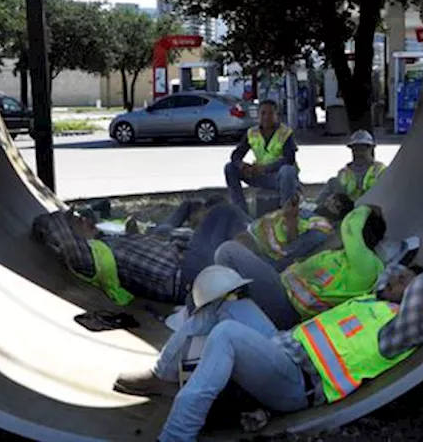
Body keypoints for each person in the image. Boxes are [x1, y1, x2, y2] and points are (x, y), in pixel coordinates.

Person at [156, 264, 423, 442]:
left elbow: (422, 291)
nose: (395, 280)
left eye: (405, 281)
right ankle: (160, 373)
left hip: (297, 383)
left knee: (227, 333)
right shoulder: (371, 300)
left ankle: (175, 436)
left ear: (418, 295)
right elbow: (388, 271)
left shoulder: (399, 331)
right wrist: (399, 277)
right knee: (224, 303)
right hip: (279, 347)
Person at [31, 198, 249, 307]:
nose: (87, 220)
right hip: (184, 275)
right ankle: (265, 242)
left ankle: (259, 246)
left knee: (206, 208)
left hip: (185, 260)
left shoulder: (104, 241)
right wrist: (64, 218)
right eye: (79, 221)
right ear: (71, 234)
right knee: (224, 212)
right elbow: (45, 223)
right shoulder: (86, 254)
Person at [113, 265, 278, 397]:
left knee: (210, 313)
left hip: (275, 374)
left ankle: (160, 375)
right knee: (213, 331)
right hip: (275, 369)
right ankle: (174, 380)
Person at [214, 204, 386, 328]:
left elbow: (350, 225)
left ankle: (234, 302)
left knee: (228, 251)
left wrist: (367, 209)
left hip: (289, 309)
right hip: (278, 289)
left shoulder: (368, 266)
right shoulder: (339, 256)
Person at [233, 191, 356, 271]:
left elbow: (291, 251)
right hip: (251, 228)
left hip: (259, 249)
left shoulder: (322, 229)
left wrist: (290, 219)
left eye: (337, 206)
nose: (331, 203)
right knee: (222, 207)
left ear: (339, 217)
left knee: (223, 216)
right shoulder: (309, 207)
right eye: (333, 198)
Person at [224, 100, 300, 217]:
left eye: (270, 113)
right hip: (259, 176)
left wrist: (265, 168)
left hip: (279, 178)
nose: (266, 117)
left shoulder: (285, 133)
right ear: (258, 115)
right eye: (263, 113)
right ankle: (241, 212)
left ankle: (286, 212)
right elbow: (236, 155)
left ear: (276, 115)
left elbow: (289, 159)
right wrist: (243, 166)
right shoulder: (252, 132)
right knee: (230, 168)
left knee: (287, 170)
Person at [313, 130, 387, 206]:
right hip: (347, 208)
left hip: (372, 208)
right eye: (355, 150)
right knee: (333, 182)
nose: (358, 153)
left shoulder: (380, 170)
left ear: (371, 149)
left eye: (362, 150)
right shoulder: (343, 172)